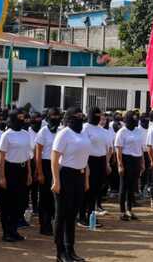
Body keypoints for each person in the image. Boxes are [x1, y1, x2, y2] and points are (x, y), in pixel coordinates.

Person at [51, 107, 90, 262]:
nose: (80, 118)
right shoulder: (64, 133)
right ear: (69, 118)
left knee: (72, 215)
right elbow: (54, 158)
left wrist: (86, 179)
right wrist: (56, 180)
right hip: (64, 175)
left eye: (81, 115)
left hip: (79, 176)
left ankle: (70, 250)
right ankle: (60, 253)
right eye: (77, 116)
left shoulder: (83, 132)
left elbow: (85, 158)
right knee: (61, 215)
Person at [0, 109, 32, 242]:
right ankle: (7, 232)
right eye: (19, 117)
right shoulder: (6, 135)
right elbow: (1, 157)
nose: (22, 119)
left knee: (20, 202)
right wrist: (2, 176)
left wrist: (29, 173)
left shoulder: (26, 134)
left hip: (22, 169)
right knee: (8, 203)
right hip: (9, 169)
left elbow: (28, 155)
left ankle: (14, 230)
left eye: (23, 117)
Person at [80, 106, 109, 227]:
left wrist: (106, 163)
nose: (98, 117)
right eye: (96, 115)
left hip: (101, 161)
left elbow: (106, 148)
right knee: (87, 190)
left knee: (96, 190)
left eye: (100, 115)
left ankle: (91, 215)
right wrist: (86, 165)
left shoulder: (101, 129)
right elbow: (83, 147)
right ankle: (82, 217)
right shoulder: (85, 128)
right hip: (89, 161)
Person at [114, 110, 143, 221]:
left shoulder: (138, 131)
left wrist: (142, 163)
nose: (135, 121)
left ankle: (130, 210)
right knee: (123, 187)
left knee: (132, 187)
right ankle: (122, 211)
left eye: (136, 118)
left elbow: (140, 147)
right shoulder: (122, 132)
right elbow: (118, 149)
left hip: (136, 160)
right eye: (133, 118)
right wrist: (120, 165)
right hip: (126, 160)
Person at [35, 108, 60, 235]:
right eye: (53, 116)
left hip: (58, 165)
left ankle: (54, 223)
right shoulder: (43, 131)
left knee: (55, 197)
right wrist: (40, 172)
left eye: (57, 115)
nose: (55, 118)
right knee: (44, 197)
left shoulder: (61, 130)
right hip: (45, 165)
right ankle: (44, 225)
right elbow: (38, 153)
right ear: (48, 117)